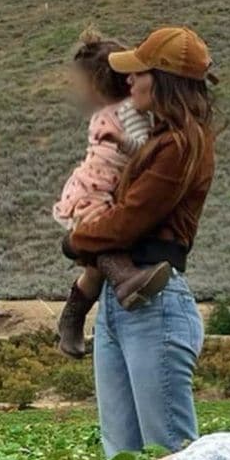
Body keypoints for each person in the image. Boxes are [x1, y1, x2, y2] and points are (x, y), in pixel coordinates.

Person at [66, 26, 217, 458]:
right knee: (123, 459)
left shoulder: (182, 145)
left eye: (139, 73)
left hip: (156, 303)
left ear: (165, 79)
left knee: (168, 454)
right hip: (122, 302)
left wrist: (76, 240)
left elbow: (127, 224)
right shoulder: (156, 140)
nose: (129, 82)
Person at [52, 30, 172, 359]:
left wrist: (120, 142)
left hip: (103, 188)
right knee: (101, 245)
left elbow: (142, 149)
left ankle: (71, 322)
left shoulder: (129, 112)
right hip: (94, 190)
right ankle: (127, 281)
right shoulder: (113, 112)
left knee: (94, 266)